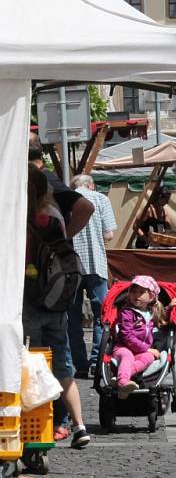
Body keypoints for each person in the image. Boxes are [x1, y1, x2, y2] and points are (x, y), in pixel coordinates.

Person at [24, 165, 90, 449]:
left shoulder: (25, 221)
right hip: (57, 300)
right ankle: (79, 425)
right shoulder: (56, 217)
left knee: (33, 365)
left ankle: (39, 426)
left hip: (31, 300)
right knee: (63, 364)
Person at [67, 174, 117, 379]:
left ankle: (79, 365)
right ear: (92, 185)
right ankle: (97, 361)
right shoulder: (101, 199)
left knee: (73, 317)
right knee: (102, 315)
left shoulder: (67, 198)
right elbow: (109, 234)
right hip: (96, 263)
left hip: (70, 265)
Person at [113, 276, 176, 398]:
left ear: (151, 296)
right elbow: (126, 336)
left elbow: (161, 319)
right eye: (133, 291)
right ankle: (123, 382)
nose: (137, 295)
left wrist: (169, 307)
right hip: (123, 347)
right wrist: (145, 348)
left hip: (141, 351)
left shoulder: (150, 312)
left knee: (149, 358)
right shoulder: (127, 313)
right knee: (127, 356)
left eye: (141, 292)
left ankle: (122, 377)